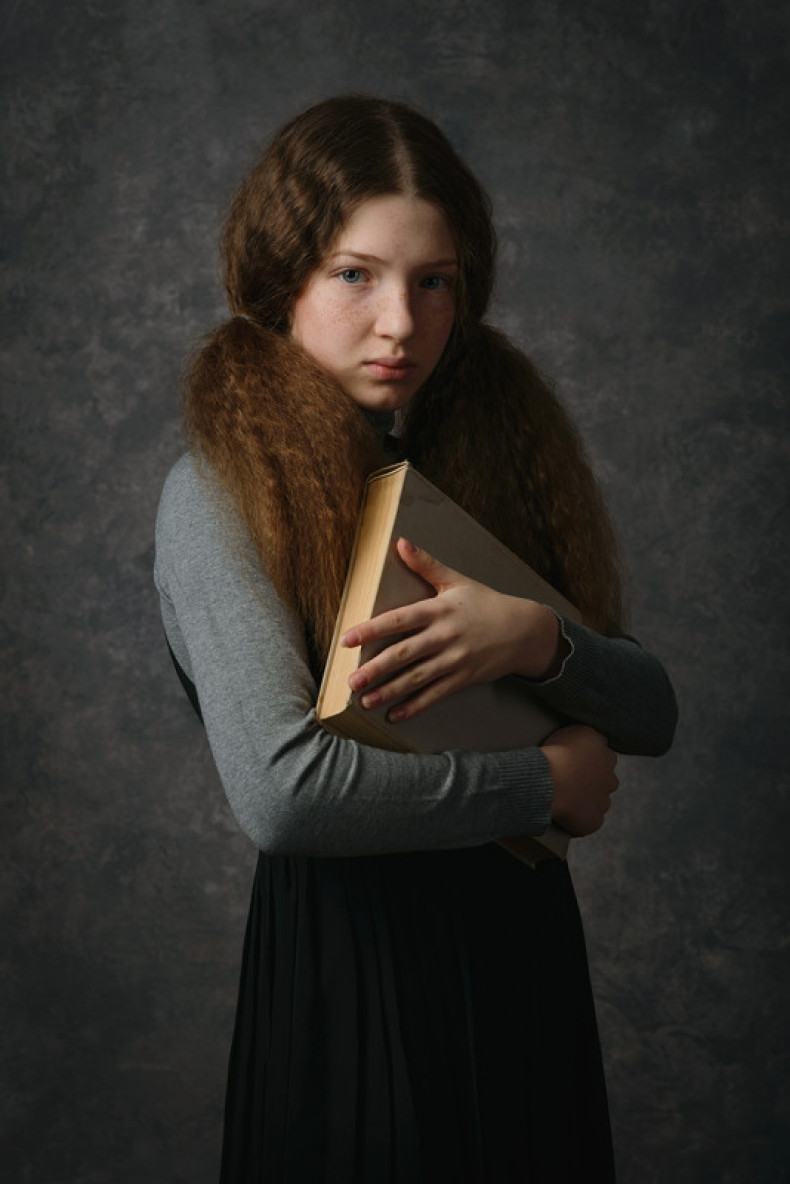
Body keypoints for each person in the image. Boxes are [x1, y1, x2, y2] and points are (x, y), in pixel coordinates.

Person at [154, 95, 677, 1183]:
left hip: (522, 973)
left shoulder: (484, 451)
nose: (400, 321)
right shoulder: (214, 494)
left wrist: (538, 640)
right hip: (352, 989)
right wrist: (542, 784)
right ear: (282, 281)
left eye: (433, 281)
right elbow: (285, 795)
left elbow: (650, 711)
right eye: (356, 274)